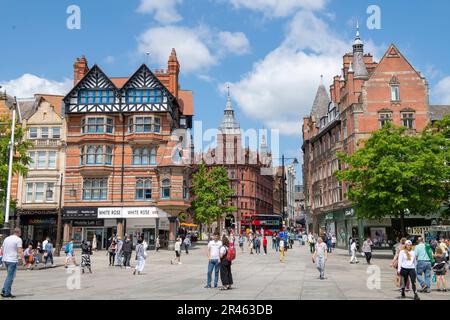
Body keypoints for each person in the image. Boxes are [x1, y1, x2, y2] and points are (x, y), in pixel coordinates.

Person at [1, 228, 25, 298]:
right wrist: (23, 260)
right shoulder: (18, 239)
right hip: (12, 260)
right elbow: (20, 251)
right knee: (10, 277)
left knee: (9, 276)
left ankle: (5, 290)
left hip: (5, 259)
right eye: (21, 232)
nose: (21, 233)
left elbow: (2, 248)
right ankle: (6, 293)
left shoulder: (7, 238)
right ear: (18, 232)